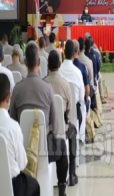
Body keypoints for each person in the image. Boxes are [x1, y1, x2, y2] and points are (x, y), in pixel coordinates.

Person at [9, 43, 68, 196]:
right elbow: (55, 126)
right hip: (44, 149)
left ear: (25, 63)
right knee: (62, 146)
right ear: (39, 63)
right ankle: (61, 188)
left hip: (21, 148)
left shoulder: (17, 89)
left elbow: (12, 120)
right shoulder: (47, 88)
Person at [0, 74, 40, 196]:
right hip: (11, 185)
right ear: (8, 97)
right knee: (34, 185)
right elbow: (22, 164)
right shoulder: (13, 127)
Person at [44, 50, 78, 186]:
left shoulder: (43, 83)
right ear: (59, 64)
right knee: (73, 131)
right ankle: (72, 174)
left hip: (46, 128)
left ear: (47, 65)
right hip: (62, 129)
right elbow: (69, 110)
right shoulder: (65, 84)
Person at [59, 40, 85, 130]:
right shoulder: (77, 72)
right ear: (74, 53)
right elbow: (81, 98)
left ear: (64, 52)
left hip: (60, 112)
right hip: (74, 112)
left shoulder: (58, 71)